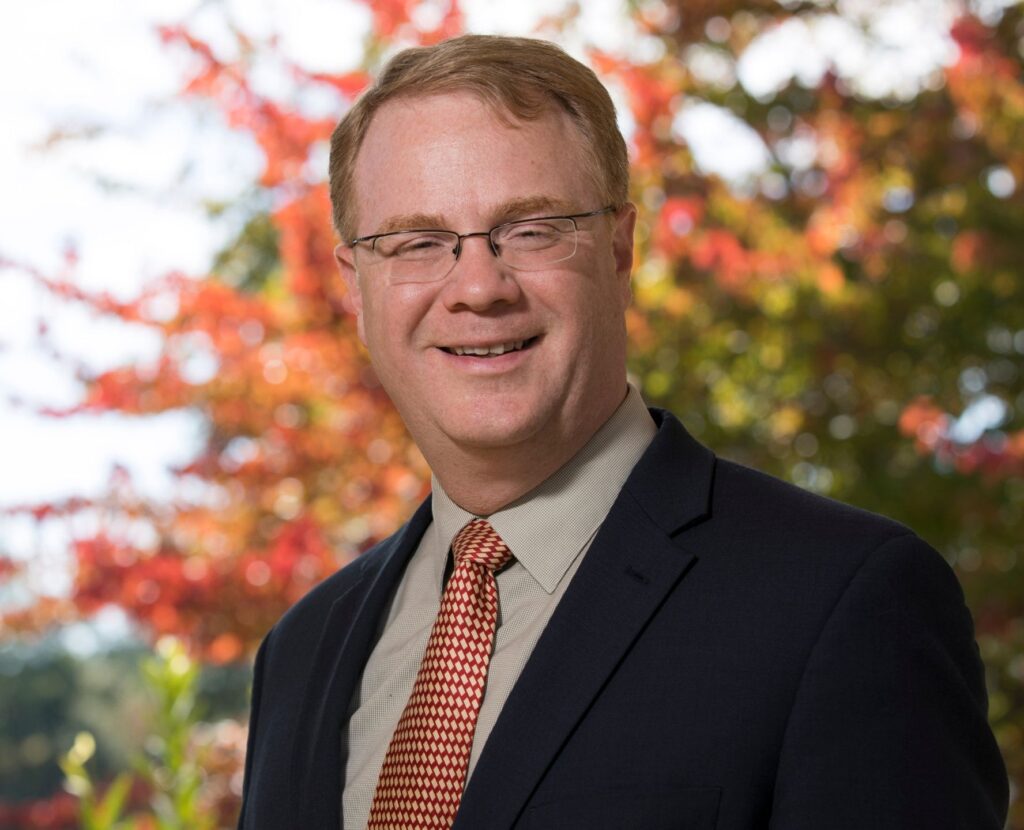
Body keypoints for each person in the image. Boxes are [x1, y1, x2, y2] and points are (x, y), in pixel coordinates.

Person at [237, 34, 1008, 830]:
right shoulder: (301, 652)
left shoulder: (842, 602)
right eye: (418, 243)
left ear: (619, 246)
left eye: (532, 229)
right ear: (355, 286)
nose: (478, 287)